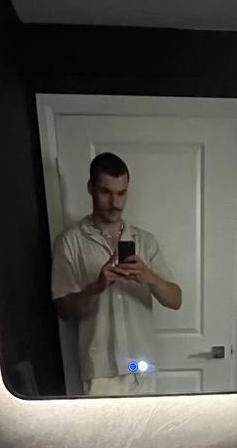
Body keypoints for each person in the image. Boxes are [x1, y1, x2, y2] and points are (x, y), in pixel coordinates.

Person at [51, 152, 182, 396]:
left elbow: (176, 300)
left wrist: (149, 277)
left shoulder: (145, 241)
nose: (115, 203)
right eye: (106, 192)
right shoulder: (69, 243)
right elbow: (64, 311)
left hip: (141, 367)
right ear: (91, 188)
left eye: (122, 193)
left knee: (150, 434)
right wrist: (96, 287)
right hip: (100, 371)